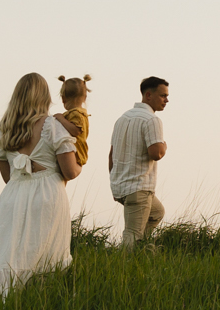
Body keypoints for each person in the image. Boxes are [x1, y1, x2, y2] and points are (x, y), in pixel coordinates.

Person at [0, 71, 81, 303]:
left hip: (13, 196)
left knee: (5, 251)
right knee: (44, 254)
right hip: (48, 195)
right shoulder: (52, 126)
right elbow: (70, 171)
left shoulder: (6, 129)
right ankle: (36, 303)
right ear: (44, 97)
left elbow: (8, 176)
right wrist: (79, 163)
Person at [108, 76, 169, 248]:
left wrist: (114, 183)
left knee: (156, 212)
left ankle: (144, 249)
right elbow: (156, 153)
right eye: (163, 95)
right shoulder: (152, 120)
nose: (166, 100)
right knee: (132, 234)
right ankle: (126, 265)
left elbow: (112, 155)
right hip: (139, 186)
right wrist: (164, 146)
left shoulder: (122, 119)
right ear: (148, 95)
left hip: (122, 186)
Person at [57, 73, 93, 165]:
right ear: (85, 97)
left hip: (76, 154)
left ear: (63, 99)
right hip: (74, 153)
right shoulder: (78, 113)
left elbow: (76, 130)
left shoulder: (77, 114)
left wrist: (61, 119)